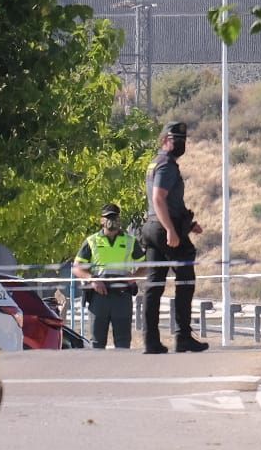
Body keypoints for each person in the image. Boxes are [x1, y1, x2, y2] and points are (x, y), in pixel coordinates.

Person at [140, 122, 209, 354]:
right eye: (174, 139)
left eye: (182, 140)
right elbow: (159, 199)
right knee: (186, 279)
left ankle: (151, 341)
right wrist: (170, 229)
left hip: (151, 226)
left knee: (154, 285)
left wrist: (188, 225)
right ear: (164, 141)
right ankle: (183, 336)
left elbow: (168, 202)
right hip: (162, 228)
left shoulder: (155, 163)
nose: (179, 144)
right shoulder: (167, 165)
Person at [72, 203, 143, 349]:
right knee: (97, 343)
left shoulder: (130, 241)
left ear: (119, 219)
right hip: (99, 296)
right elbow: (77, 268)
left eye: (114, 217)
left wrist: (134, 277)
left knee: (123, 342)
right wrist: (92, 280)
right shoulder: (92, 241)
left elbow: (146, 267)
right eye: (107, 217)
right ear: (101, 220)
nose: (111, 221)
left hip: (122, 296)